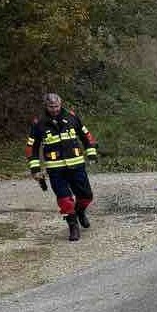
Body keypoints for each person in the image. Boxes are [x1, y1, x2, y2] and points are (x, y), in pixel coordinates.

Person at [25, 93, 99, 241]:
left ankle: (79, 212)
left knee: (86, 197)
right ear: (46, 106)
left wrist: (91, 153)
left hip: (76, 165)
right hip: (56, 169)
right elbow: (31, 147)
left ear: (61, 104)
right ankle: (73, 226)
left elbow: (86, 136)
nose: (54, 109)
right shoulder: (38, 123)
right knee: (65, 200)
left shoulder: (72, 117)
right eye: (51, 107)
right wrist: (35, 169)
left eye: (57, 106)